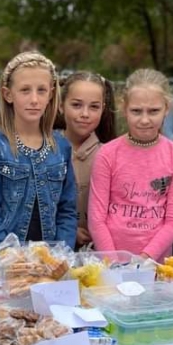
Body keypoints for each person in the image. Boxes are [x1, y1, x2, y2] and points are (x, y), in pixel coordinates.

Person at [0, 52, 77, 249]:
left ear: (51, 94)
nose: (34, 99)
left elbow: (67, 211)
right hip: (7, 259)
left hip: (51, 259)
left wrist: (62, 253)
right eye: (25, 90)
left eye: (41, 90)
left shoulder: (61, 147)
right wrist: (11, 256)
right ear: (8, 94)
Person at [88, 68, 173, 261]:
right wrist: (113, 261)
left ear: (166, 108)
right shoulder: (107, 154)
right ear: (124, 108)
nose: (145, 120)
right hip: (110, 262)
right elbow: (97, 219)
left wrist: (144, 259)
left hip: (155, 264)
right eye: (136, 111)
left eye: (154, 111)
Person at [56, 71, 116, 247]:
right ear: (61, 106)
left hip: (100, 251)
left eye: (94, 107)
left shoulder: (110, 154)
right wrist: (68, 229)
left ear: (103, 109)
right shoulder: (44, 149)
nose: (85, 114)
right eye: (76, 105)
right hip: (53, 249)